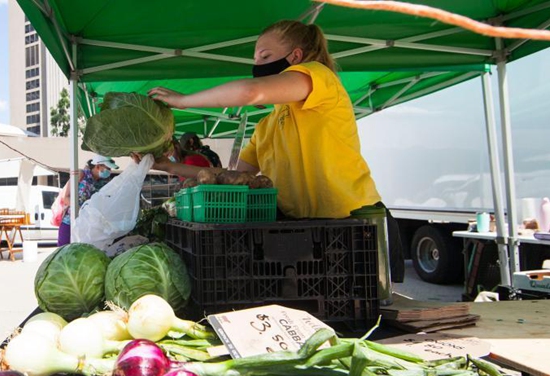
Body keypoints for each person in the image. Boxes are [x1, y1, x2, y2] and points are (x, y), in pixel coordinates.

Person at [148, 20, 404, 283]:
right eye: (255, 58)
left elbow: (249, 91)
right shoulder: (266, 125)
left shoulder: (320, 78)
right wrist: (167, 166)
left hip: (356, 224)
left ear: (295, 57)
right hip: (302, 231)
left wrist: (183, 101)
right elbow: (231, 177)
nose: (258, 65)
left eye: (265, 56)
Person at [57, 154, 118, 246]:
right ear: (97, 166)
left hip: (87, 226)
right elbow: (65, 197)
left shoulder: (102, 183)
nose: (109, 171)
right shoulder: (81, 174)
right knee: (62, 251)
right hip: (70, 222)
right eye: (108, 168)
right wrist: (80, 209)